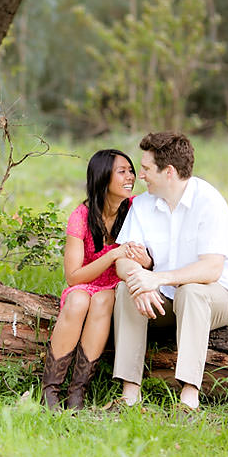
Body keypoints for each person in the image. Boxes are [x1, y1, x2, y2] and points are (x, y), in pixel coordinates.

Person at [112, 131, 228, 410]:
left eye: (146, 169)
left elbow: (211, 269)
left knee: (192, 291)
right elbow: (123, 259)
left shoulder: (210, 202)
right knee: (126, 287)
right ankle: (129, 394)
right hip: (164, 301)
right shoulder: (144, 205)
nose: (141, 175)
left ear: (168, 171)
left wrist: (156, 278)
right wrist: (139, 279)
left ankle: (189, 396)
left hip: (215, 298)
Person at [41, 149, 150, 411]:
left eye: (131, 170)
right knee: (77, 301)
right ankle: (50, 390)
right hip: (85, 282)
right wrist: (113, 254)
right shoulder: (81, 216)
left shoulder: (136, 208)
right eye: (121, 171)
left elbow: (149, 258)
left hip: (116, 286)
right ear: (102, 177)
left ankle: (78, 391)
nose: (130, 177)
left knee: (103, 301)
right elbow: (73, 276)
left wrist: (141, 260)